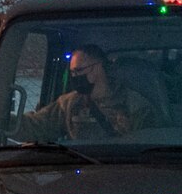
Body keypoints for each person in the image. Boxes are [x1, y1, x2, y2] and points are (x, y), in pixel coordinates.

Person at [16, 45, 164, 142]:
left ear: (97, 68)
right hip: (79, 173)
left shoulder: (136, 105)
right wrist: (2, 119)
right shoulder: (69, 103)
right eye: (72, 72)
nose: (74, 77)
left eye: (78, 71)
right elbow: (37, 126)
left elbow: (148, 149)